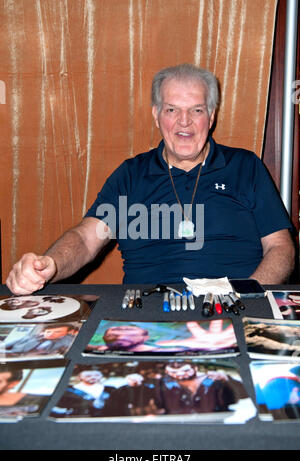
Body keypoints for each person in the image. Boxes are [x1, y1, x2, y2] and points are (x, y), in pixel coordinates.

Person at [5, 63, 295, 294]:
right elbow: (85, 238)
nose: (184, 121)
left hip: (233, 306)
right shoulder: (131, 174)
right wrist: (50, 265)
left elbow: (280, 247)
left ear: (212, 115)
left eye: (196, 110)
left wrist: (245, 294)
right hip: (144, 314)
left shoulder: (246, 166)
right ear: (157, 115)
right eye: (172, 110)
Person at [0, 323, 78, 356]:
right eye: (48, 331)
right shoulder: (32, 337)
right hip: (13, 355)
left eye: (58, 332)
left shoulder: (69, 341)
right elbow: (5, 345)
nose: (51, 334)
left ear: (67, 333)